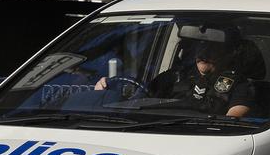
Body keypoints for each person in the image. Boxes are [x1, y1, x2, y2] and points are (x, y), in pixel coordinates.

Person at [94, 40, 254, 118]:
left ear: (226, 52)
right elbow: (141, 99)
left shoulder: (239, 84)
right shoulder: (174, 76)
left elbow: (233, 120)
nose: (204, 53)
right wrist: (109, 88)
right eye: (202, 45)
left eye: (212, 47)